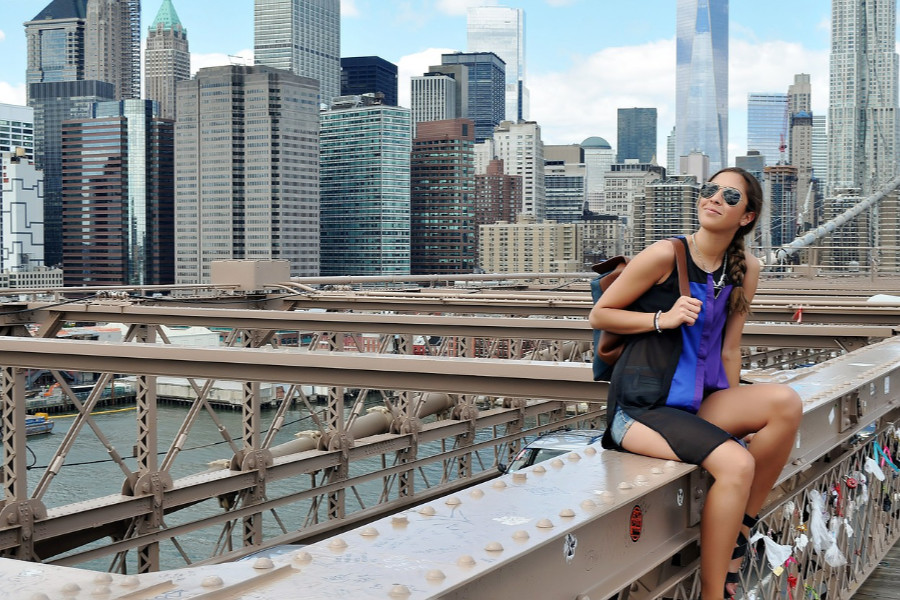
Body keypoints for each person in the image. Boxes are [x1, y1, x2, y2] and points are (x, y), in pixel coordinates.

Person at [589, 167, 802, 600]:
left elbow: (729, 349)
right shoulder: (665, 255)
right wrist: (661, 319)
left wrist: (734, 402)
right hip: (642, 409)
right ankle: (713, 592)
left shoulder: (747, 269)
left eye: (728, 196)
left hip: (696, 402)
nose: (713, 199)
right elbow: (601, 315)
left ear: (747, 217)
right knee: (736, 464)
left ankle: (741, 526)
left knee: (786, 403)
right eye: (710, 190)